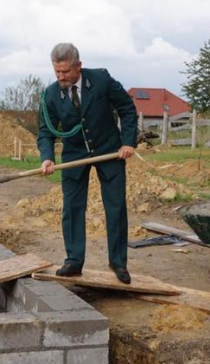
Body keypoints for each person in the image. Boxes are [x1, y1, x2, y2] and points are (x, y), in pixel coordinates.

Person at [37, 43, 137, 283]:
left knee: (115, 207)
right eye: (57, 72)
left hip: (109, 150)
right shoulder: (51, 94)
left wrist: (128, 142)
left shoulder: (101, 80)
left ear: (78, 66)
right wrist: (47, 157)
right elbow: (45, 131)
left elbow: (127, 108)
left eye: (66, 72)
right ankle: (73, 261)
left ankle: (118, 263)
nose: (61, 77)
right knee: (72, 209)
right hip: (74, 155)